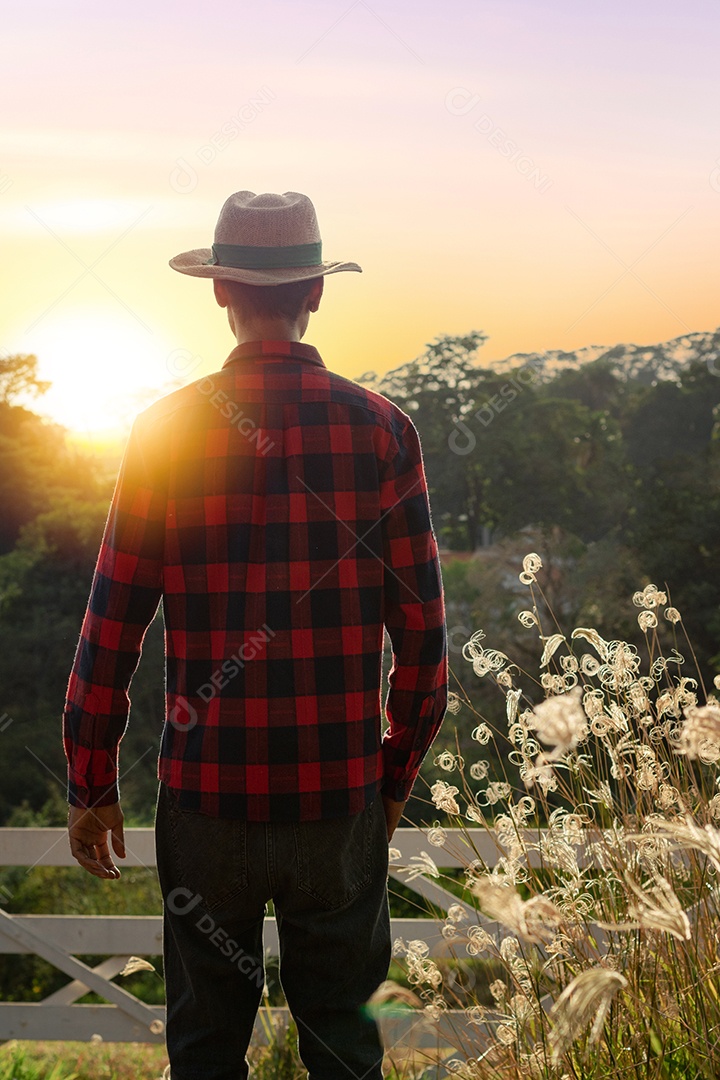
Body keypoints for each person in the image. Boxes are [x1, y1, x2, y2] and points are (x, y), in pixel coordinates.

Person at [63, 190, 448, 1080]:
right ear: (316, 291)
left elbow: (111, 623)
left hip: (206, 801)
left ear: (218, 293)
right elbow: (424, 634)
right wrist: (393, 775)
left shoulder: (164, 431)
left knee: (204, 1049)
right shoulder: (383, 431)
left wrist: (91, 780)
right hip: (336, 796)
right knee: (344, 1047)